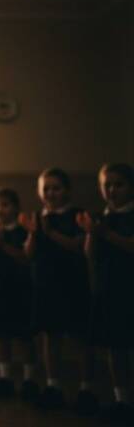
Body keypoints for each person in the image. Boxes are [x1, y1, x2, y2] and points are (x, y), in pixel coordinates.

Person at [21, 167, 97, 414]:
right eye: (46, 189)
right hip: (45, 284)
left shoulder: (77, 215)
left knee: (80, 337)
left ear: (66, 190)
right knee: (50, 336)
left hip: (72, 282)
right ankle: (54, 386)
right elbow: (29, 254)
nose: (51, 193)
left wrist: (50, 232)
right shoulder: (37, 217)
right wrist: (33, 233)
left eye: (56, 188)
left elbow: (78, 246)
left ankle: (86, 389)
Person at [78, 163, 134, 423]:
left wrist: (104, 232)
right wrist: (92, 233)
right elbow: (90, 253)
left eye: (118, 184)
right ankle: (121, 399)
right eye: (106, 185)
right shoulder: (103, 217)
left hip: (129, 286)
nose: (112, 190)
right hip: (108, 286)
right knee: (114, 346)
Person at [0, 188, 39, 400]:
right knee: (1, 336)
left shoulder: (22, 230)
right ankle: (5, 379)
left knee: (24, 337)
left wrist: (2, 244)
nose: (0, 210)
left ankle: (29, 380)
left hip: (20, 289)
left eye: (5, 205)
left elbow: (25, 258)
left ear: (15, 207)